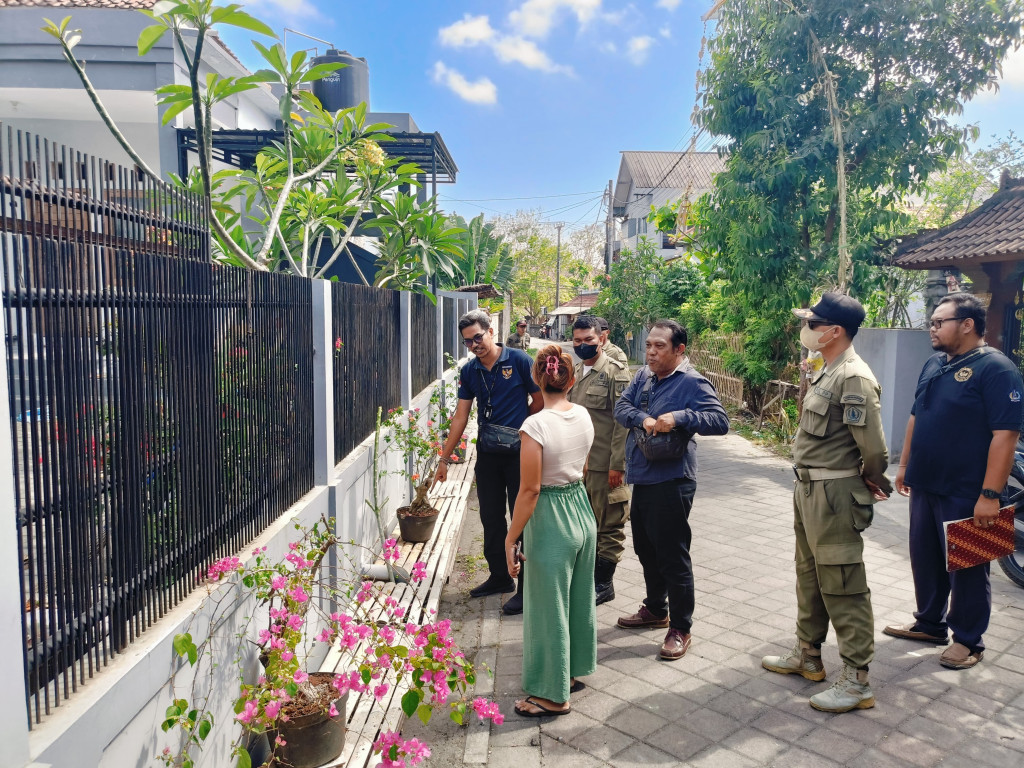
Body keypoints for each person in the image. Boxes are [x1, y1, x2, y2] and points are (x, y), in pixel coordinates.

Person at [761, 292, 891, 714]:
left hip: (834, 494)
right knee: (810, 575)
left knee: (842, 582)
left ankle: (857, 680)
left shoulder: (854, 376)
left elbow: (874, 450)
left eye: (813, 324)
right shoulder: (828, 370)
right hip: (808, 489)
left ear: (834, 331)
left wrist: (871, 481)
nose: (807, 329)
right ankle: (808, 655)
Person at [884, 293, 1023, 670]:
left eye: (939, 321)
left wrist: (990, 495)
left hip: (968, 489)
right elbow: (917, 415)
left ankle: (968, 640)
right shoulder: (933, 363)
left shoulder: (997, 368)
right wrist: (904, 467)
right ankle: (930, 624)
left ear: (967, 324)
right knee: (925, 558)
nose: (932, 327)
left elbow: (1005, 435)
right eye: (931, 321)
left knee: (968, 566)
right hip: (927, 482)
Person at [613, 319, 729, 660]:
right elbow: (622, 408)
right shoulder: (643, 376)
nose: (650, 351)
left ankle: (680, 627)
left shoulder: (693, 382)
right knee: (646, 549)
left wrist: (680, 417)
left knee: (673, 555)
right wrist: (644, 419)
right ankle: (654, 608)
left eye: (659, 346)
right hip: (643, 475)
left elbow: (720, 421)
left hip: (674, 479)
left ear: (679, 350)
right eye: (649, 345)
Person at [505, 345, 596, 717]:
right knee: (577, 598)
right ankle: (570, 673)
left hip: (552, 516)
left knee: (548, 607)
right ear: (571, 379)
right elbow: (584, 465)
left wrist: (511, 537)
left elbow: (530, 490)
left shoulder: (535, 425)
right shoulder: (584, 414)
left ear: (537, 379)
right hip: (581, 509)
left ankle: (554, 696)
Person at [435, 309, 542, 615]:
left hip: (520, 454)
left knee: (522, 519)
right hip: (488, 455)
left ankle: (526, 586)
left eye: (478, 338)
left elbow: (540, 400)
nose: (474, 346)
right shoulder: (470, 371)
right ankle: (499, 576)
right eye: (468, 342)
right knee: (490, 517)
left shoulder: (519, 361)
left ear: (491, 331)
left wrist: (525, 429)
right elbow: (461, 415)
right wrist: (444, 457)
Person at [567, 315, 632, 604]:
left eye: (588, 340)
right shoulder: (578, 371)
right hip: (578, 465)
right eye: (577, 341)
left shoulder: (616, 373)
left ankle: (604, 584)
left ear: (601, 339)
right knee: (585, 523)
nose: (582, 345)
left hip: (604, 465)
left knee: (609, 524)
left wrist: (617, 464)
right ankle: (588, 578)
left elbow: (623, 423)